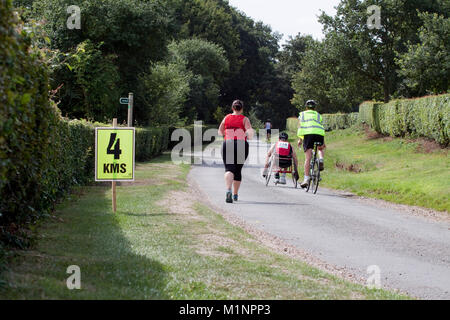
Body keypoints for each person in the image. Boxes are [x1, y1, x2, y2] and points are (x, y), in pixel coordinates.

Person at [218, 100, 254, 203]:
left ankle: (228, 190)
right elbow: (249, 133)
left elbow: (220, 131)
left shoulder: (227, 117)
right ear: (242, 108)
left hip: (227, 143)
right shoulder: (245, 119)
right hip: (241, 144)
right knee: (237, 170)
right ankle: (235, 194)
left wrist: (226, 135)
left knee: (229, 169)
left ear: (232, 108)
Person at [297, 100, 326, 188]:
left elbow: (300, 127)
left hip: (308, 134)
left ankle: (306, 179)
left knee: (308, 158)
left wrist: (300, 140)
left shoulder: (302, 114)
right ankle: (321, 159)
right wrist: (323, 142)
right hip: (319, 134)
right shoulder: (318, 115)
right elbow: (320, 126)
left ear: (306, 107)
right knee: (320, 148)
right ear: (314, 107)